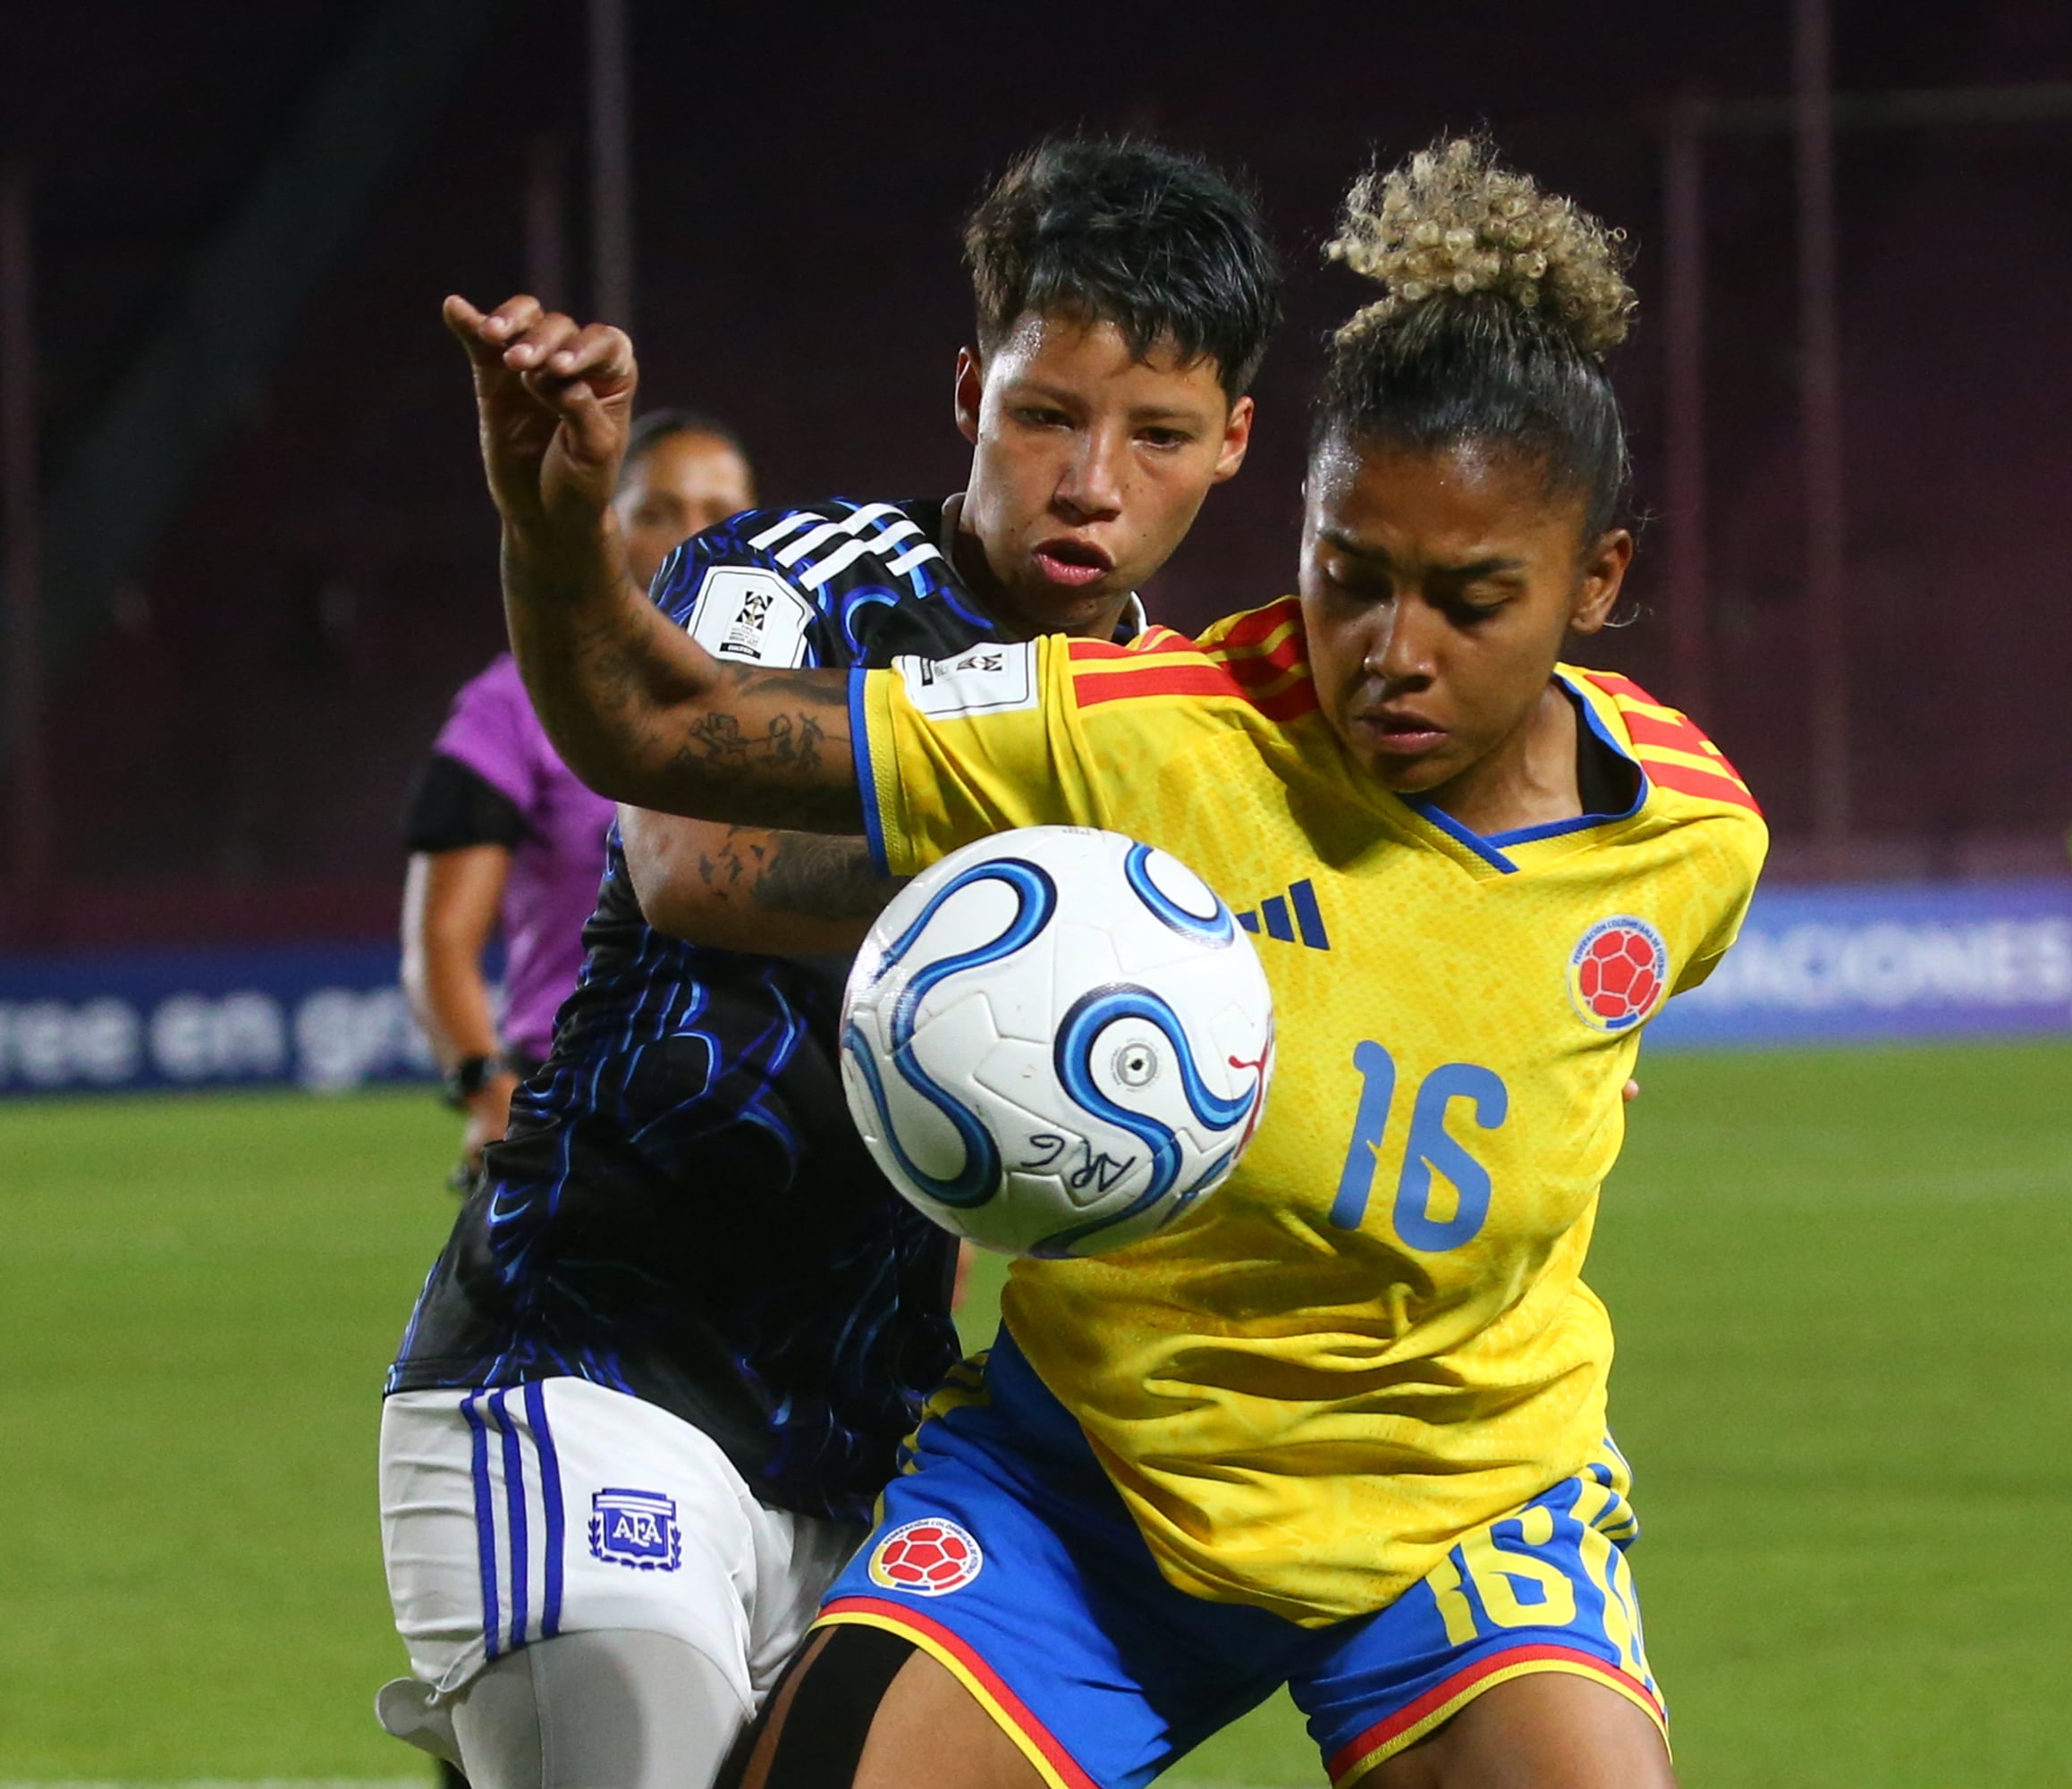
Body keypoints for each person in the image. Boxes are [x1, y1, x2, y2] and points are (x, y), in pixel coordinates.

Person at [452, 136, 1766, 1789]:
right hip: (1091, 1500)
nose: (1392, 651)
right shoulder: (1152, 741)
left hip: (1468, 1510)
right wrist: (555, 524)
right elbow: (659, 728)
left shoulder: (1691, 836)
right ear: (1293, 511)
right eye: (1349, 575)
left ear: (1599, 582)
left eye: (1471, 599)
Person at [380, 139, 1281, 1788]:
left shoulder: (1190, 736)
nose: (1091, 482)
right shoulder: (787, 584)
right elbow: (687, 853)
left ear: (1232, 444)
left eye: (1155, 435)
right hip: (594, 1362)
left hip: (882, 1457)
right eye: (1044, 415)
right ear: (966, 394)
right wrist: (1059, 909)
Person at [401, 410, 756, 1189]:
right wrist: (486, 1090)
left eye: (723, 516)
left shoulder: (814, 697)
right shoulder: (516, 701)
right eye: (659, 512)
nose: (693, 536)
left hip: (767, 1102)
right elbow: (441, 939)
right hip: (577, 1109)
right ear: (608, 528)